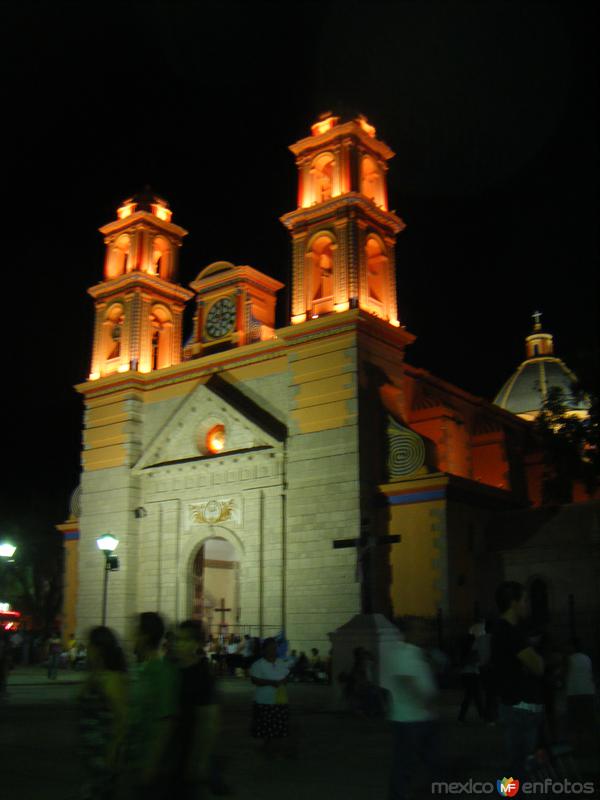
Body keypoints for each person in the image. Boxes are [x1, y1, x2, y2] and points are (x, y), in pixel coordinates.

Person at [380, 618, 442, 800]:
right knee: (406, 765)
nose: (425, 634)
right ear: (408, 634)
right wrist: (426, 702)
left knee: (425, 763)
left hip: (420, 719)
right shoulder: (403, 653)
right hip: (410, 720)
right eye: (420, 630)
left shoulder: (416, 653)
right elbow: (406, 681)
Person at [490, 582, 545, 782]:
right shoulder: (511, 632)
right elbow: (538, 666)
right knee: (522, 769)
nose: (527, 605)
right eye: (524, 600)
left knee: (518, 767)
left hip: (514, 705)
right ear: (513, 603)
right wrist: (535, 654)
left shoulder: (502, 630)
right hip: (521, 708)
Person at [171, 620, 230, 797]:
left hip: (190, 752)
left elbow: (210, 721)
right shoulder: (173, 669)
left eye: (185, 640)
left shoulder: (203, 674)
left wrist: (201, 760)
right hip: (173, 751)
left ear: (196, 644)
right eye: (177, 639)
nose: (178, 644)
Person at [127, 612, 178, 799]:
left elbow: (165, 723)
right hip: (134, 761)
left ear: (145, 636)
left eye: (135, 631)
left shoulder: (161, 672)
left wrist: (150, 766)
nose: (131, 636)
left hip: (151, 767)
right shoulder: (142, 670)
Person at [79, 626, 128, 800]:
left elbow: (122, 718)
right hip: (92, 753)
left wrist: (113, 751)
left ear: (98, 649)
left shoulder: (110, 679)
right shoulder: (96, 676)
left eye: (89, 646)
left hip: (104, 753)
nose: (86, 650)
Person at [249, 637, 291, 756]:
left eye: (275, 647)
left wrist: (284, 681)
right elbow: (254, 680)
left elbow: (287, 676)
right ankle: (267, 745)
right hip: (264, 700)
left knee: (278, 724)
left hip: (280, 698)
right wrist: (272, 683)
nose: (273, 650)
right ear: (264, 649)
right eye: (270, 647)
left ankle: (274, 746)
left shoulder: (281, 662)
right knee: (265, 725)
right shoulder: (258, 664)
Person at [565, 638, 596, 754]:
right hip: (588, 691)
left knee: (575, 722)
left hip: (574, 693)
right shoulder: (587, 658)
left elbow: (564, 674)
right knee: (589, 721)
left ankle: (577, 748)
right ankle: (591, 747)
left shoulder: (569, 659)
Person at [457, 632, 484, 723]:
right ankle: (482, 715)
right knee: (475, 696)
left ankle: (462, 716)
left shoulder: (462, 652)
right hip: (472, 674)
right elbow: (477, 661)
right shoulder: (472, 651)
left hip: (465, 674)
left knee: (470, 696)